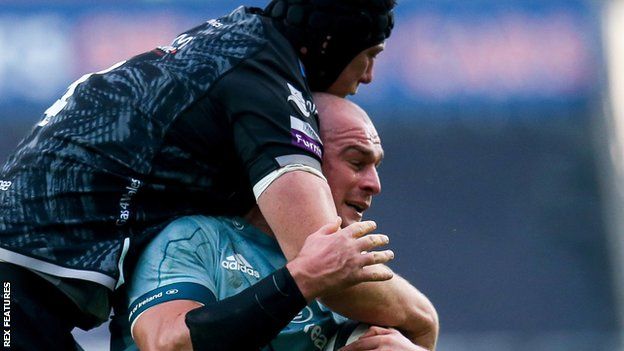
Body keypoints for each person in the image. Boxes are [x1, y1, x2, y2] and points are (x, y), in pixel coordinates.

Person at [0, 1, 396, 349]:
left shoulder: (232, 44)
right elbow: (325, 255)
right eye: (370, 55)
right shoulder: (264, 75)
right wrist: (421, 321)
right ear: (333, 44)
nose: (369, 76)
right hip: (12, 284)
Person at [114, 94, 438, 351]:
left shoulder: (358, 290)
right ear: (305, 158)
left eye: (375, 166)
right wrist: (303, 278)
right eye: (356, 161)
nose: (374, 184)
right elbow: (169, 345)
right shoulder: (194, 239)